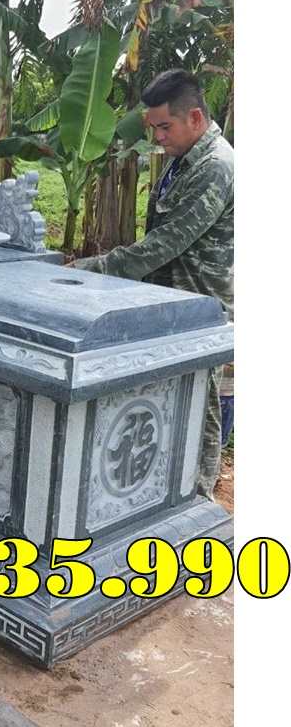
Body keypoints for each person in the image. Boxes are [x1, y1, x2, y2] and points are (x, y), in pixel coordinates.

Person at [75, 69, 233, 498]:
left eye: (165, 127)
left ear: (195, 118)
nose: (158, 138)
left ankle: (198, 503)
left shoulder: (215, 166)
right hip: (172, 305)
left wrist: (92, 269)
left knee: (198, 413)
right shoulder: (184, 160)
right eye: (154, 129)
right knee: (171, 412)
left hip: (200, 310)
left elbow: (164, 244)